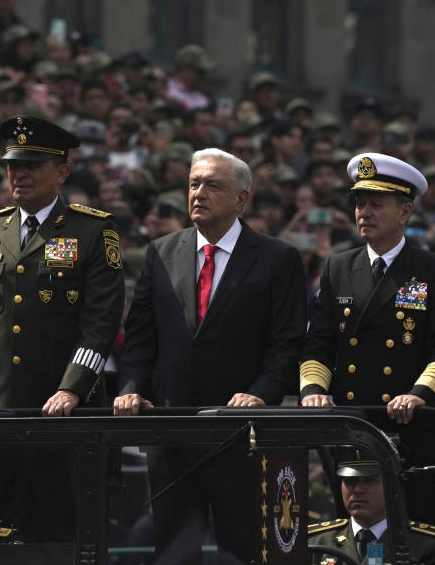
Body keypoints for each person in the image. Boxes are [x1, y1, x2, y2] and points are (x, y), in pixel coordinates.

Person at [0, 116, 125, 542]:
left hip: (67, 417)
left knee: (66, 535)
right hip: (0, 412)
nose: (20, 174)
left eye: (33, 165)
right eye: (14, 166)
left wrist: (73, 387)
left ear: (62, 172)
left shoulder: (93, 230)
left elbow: (100, 322)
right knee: (0, 534)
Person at [114, 147, 307, 563]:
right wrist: (130, 388)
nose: (198, 193)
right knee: (173, 551)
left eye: (212, 185)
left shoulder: (278, 259)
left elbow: (286, 344)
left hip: (242, 435)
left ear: (242, 198)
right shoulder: (160, 253)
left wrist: (260, 394)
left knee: (242, 549)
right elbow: (140, 340)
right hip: (172, 433)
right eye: (193, 184)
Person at [300, 153, 435, 422]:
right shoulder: (337, 267)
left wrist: (420, 394)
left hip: (410, 418)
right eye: (360, 204)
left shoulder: (434, 270)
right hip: (352, 421)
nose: (364, 213)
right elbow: (319, 341)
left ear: (405, 212)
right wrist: (312, 390)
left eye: (376, 204)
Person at [308, 452, 435, 564]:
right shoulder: (317, 542)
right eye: (350, 480)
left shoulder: (425, 545)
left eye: (369, 480)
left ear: (391, 485)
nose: (358, 489)